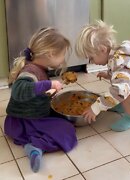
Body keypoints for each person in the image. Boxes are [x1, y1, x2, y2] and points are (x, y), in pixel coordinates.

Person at [5, 27, 77, 173]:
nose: (63, 59)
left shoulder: (38, 68)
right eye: (62, 55)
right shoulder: (30, 71)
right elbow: (19, 90)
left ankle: (33, 142)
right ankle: (35, 147)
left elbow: (35, 93)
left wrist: (50, 91)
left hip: (22, 120)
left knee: (62, 117)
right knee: (67, 130)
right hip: (26, 120)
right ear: (50, 54)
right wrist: (49, 84)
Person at [75, 20, 130, 132]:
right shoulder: (116, 55)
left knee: (120, 92)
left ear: (102, 49)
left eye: (91, 57)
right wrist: (108, 75)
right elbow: (122, 74)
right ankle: (123, 105)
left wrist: (95, 108)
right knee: (120, 88)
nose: (91, 62)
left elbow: (120, 88)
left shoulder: (121, 62)